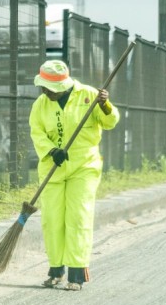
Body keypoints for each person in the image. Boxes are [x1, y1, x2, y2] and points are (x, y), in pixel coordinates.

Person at [29, 59, 119, 291]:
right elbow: (36, 132)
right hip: (53, 167)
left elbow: (110, 122)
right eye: (43, 88)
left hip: (84, 167)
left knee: (78, 217)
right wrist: (51, 150)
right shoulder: (40, 104)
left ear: (61, 87)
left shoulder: (89, 96)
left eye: (48, 88)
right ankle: (56, 269)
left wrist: (106, 105)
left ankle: (77, 272)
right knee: (52, 220)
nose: (45, 92)